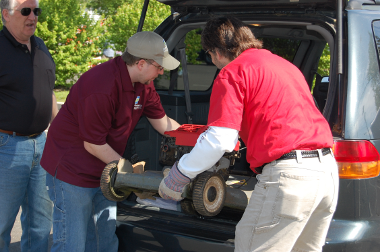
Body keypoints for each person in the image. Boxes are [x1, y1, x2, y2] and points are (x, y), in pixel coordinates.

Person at [159, 16, 339, 252]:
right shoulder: (285, 66)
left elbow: (219, 140)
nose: (214, 62)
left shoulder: (233, 72)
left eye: (210, 56)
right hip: (326, 175)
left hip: (289, 179)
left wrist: (179, 175)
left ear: (216, 52)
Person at [40, 31, 181, 252]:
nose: (162, 72)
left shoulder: (144, 84)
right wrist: (134, 175)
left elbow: (162, 122)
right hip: (71, 171)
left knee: (104, 240)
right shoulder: (101, 86)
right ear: (141, 63)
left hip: (106, 170)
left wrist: (199, 138)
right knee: (72, 243)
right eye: (159, 66)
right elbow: (93, 144)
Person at [0, 0, 58, 251]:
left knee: (41, 224)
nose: (32, 16)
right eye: (25, 11)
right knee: (2, 223)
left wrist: (59, 132)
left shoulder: (41, 46)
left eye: (36, 11)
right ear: (6, 15)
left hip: (42, 144)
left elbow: (49, 92)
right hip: (7, 147)